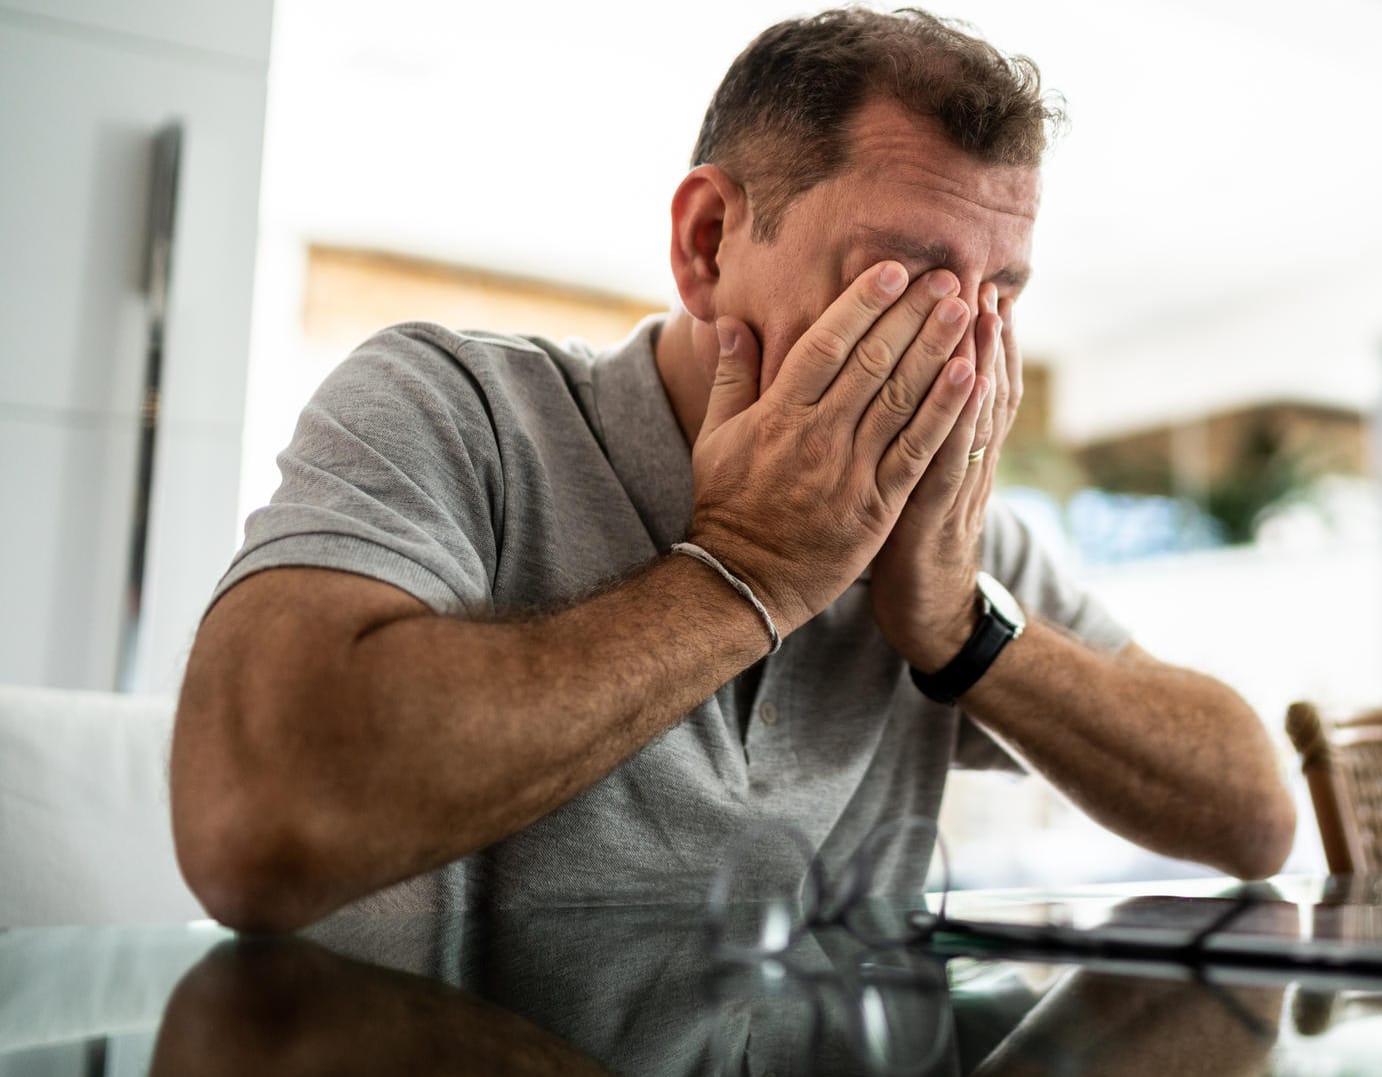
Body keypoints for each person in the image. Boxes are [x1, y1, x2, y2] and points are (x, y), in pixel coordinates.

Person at [171, 7, 1295, 933]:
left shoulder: (945, 536)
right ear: (709, 243)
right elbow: (250, 821)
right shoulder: (452, 409)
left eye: (1002, 295)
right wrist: (742, 574)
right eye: (907, 277)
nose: (963, 350)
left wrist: (960, 629)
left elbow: (1253, 817)